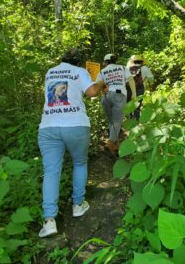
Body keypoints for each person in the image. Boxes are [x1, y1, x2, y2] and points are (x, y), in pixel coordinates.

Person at [38, 49, 104, 238]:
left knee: (51, 171)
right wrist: (100, 80)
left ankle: (49, 220)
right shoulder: (80, 71)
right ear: (78, 62)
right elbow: (91, 92)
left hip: (48, 126)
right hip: (75, 125)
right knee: (80, 163)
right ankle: (78, 205)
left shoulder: (50, 72)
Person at [96, 54, 136, 154]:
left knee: (112, 122)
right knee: (117, 121)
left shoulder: (102, 71)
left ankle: (115, 147)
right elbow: (131, 79)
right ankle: (110, 143)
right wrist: (134, 94)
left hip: (105, 97)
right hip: (119, 95)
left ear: (106, 62)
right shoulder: (122, 68)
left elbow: (97, 85)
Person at [126, 55, 154, 119]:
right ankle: (137, 120)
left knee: (129, 104)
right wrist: (149, 82)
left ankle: (130, 118)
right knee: (138, 104)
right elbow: (151, 78)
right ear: (141, 61)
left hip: (129, 88)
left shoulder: (128, 68)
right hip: (140, 88)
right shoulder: (145, 68)